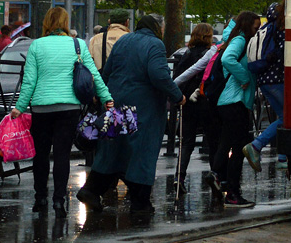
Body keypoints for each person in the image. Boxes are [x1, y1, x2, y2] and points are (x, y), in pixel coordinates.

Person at [10, 6, 112, 216]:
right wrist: (107, 98)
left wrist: (20, 107)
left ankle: (40, 199)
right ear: (66, 23)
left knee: (40, 155)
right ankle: (59, 201)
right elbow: (93, 74)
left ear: (47, 22)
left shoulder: (37, 45)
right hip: (68, 107)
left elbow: (29, 80)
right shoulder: (76, 45)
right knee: (62, 155)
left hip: (41, 107)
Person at [78, 14, 183, 214]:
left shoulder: (124, 41)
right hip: (143, 106)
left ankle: (91, 190)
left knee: (113, 150)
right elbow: (159, 75)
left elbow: (107, 71)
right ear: (157, 29)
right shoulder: (155, 45)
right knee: (141, 153)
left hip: (117, 101)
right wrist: (178, 96)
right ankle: (140, 202)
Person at [214, 11, 260, 209]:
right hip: (237, 101)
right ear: (248, 25)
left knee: (225, 143)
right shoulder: (240, 40)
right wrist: (244, 78)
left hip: (228, 102)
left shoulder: (236, 39)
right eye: (256, 27)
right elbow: (227, 59)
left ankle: (216, 176)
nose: (257, 31)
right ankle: (233, 193)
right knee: (240, 148)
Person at [172, 23, 216, 189]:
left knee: (186, 142)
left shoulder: (186, 54)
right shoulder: (210, 54)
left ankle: (180, 177)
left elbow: (178, 77)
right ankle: (215, 176)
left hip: (187, 101)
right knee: (212, 140)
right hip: (204, 100)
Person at [243, 2, 285, 173]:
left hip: (264, 80)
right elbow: (284, 56)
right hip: (277, 80)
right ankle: (256, 145)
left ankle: (283, 157)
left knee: (284, 117)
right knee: (290, 118)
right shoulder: (281, 31)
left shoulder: (265, 28)